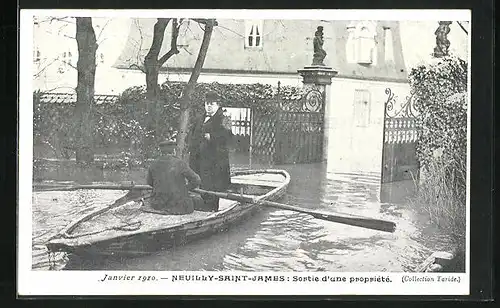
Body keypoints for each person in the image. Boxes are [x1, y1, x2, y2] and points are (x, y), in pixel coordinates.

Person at [189, 91, 233, 212]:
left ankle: (212, 210)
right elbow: (192, 135)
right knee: (201, 182)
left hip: (216, 161)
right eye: (206, 103)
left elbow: (229, 137)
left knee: (214, 186)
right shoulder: (199, 119)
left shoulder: (225, 119)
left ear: (218, 105)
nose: (208, 106)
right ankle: (203, 207)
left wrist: (212, 137)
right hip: (199, 158)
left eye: (211, 104)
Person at [146, 140, 207, 214]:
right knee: (199, 201)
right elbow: (196, 180)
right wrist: (185, 189)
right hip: (178, 206)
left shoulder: (153, 164)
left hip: (158, 204)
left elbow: (149, 182)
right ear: (173, 150)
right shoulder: (179, 163)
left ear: (161, 151)